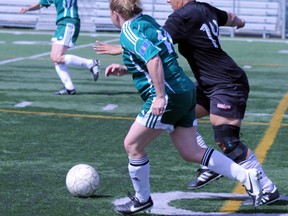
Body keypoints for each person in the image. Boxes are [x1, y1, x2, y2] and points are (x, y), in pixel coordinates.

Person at [93, 0, 280, 206]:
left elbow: (153, 52)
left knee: (226, 140)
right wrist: (240, 22)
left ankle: (267, 188)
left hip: (222, 83)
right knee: (190, 148)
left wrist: (158, 95)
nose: (167, 1)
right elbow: (230, 18)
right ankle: (218, 167)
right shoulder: (201, 8)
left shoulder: (180, 17)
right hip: (200, 86)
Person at [20, 0, 100, 95]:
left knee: (57, 57)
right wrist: (27, 8)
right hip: (61, 24)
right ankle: (69, 88)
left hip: (68, 22)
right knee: (55, 58)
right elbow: (41, 4)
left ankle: (91, 63)